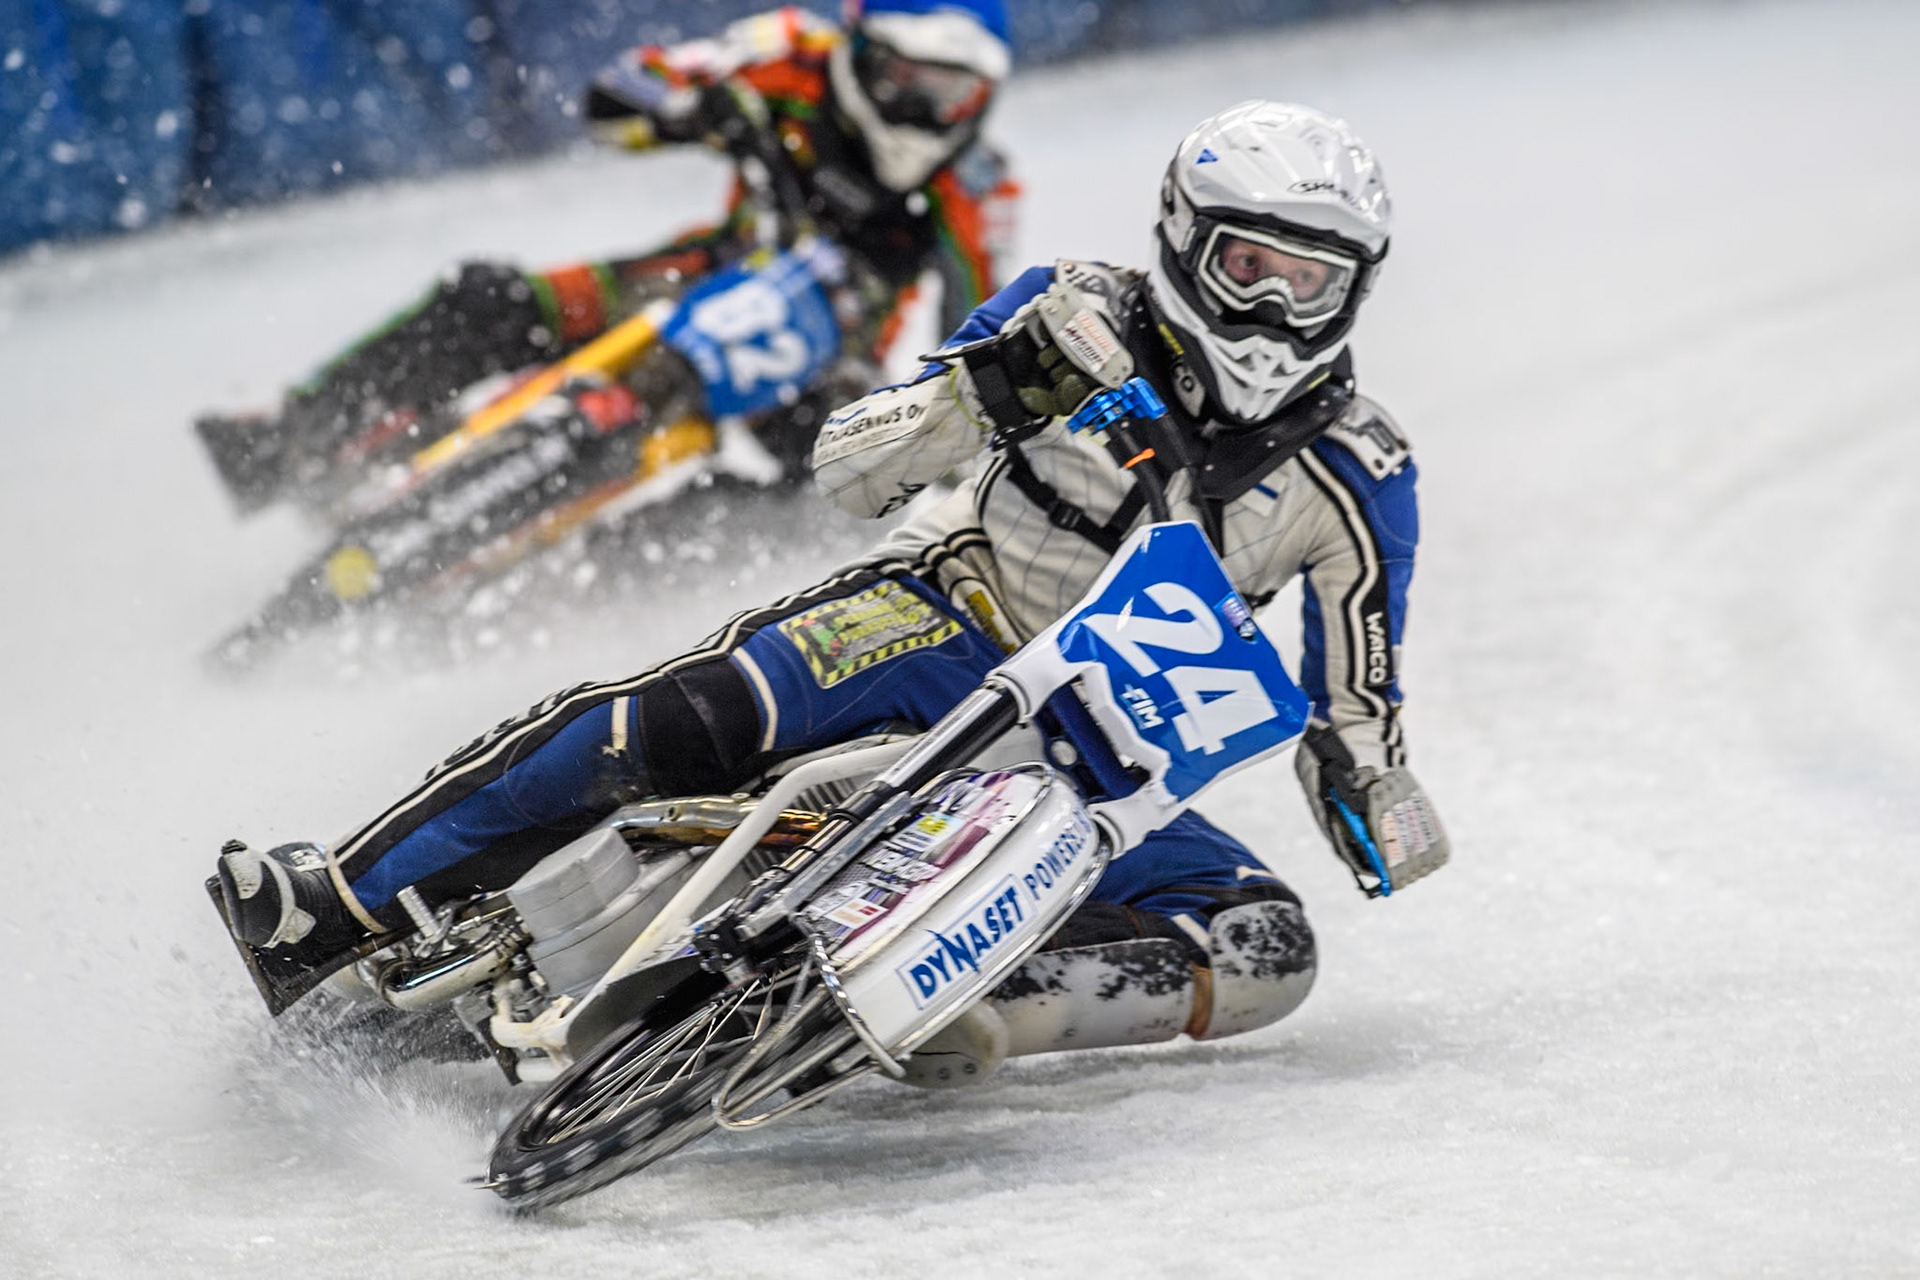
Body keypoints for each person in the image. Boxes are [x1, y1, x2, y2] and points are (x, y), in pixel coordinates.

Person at [215, 100, 1450, 1083]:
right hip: (940, 621)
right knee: (682, 717)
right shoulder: (1074, 311)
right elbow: (848, 467)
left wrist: (1374, 792)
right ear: (1184, 238)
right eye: (1252, 265)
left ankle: (975, 1013)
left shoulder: (1361, 472)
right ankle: (339, 898)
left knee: (1264, 941)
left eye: (1315, 281)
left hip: (1104, 764)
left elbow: (1359, 695)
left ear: (1361, 290)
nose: (1277, 311)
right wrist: (983, 395)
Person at [195, 0, 1020, 511]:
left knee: (809, 504)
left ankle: (602, 595)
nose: (922, 109)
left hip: (826, 369)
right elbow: (621, 92)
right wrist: (695, 109)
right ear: (861, 49)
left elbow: (973, 343)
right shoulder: (791, 52)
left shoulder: (980, 190)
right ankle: (299, 439)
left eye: (951, 93)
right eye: (906, 78)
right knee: (487, 300)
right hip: (694, 277)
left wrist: (929, 449)